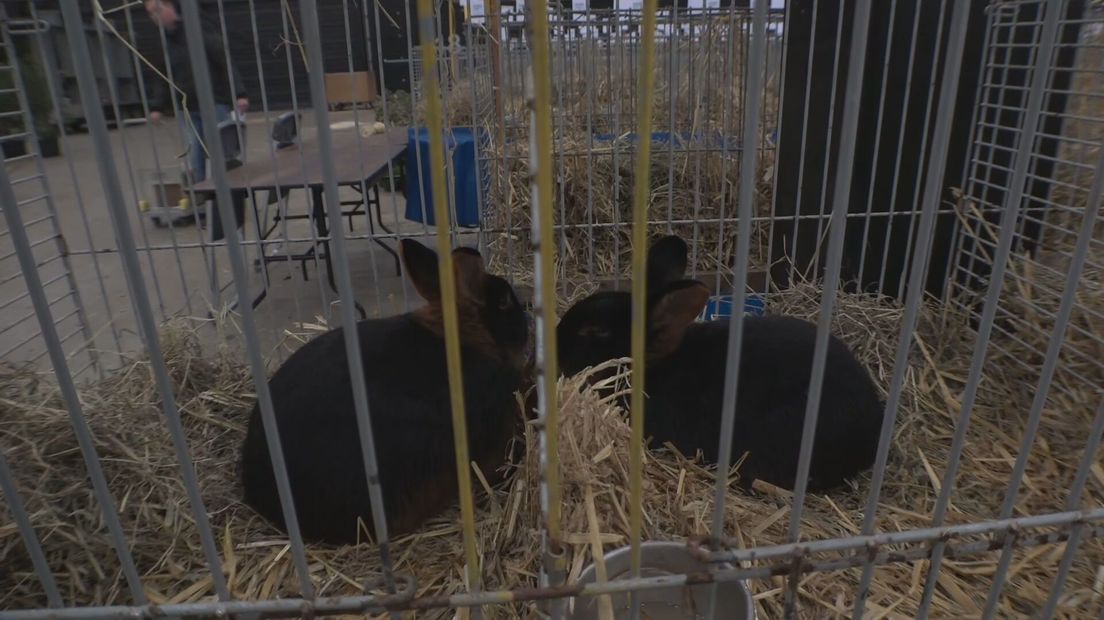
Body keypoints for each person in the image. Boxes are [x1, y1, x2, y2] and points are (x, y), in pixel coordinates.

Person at [144, 0, 249, 185]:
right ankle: (202, 194)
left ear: (169, 6)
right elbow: (162, 76)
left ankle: (229, 190)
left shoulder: (199, 30)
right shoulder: (166, 42)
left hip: (213, 102)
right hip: (187, 108)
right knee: (195, 153)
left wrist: (239, 93)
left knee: (220, 149)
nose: (155, 17)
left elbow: (223, 60)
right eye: (151, 13)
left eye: (157, 10)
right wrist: (156, 106)